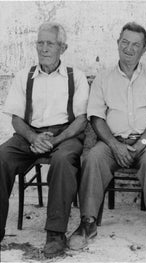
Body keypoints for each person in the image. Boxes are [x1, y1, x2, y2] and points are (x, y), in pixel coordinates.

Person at [68, 22, 146, 253]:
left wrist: (140, 144)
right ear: (117, 43)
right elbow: (96, 117)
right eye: (125, 42)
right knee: (93, 158)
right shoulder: (103, 78)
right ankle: (87, 222)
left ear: (144, 50)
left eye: (136, 45)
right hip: (111, 141)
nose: (129, 48)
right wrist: (115, 145)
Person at [0, 22, 89, 258]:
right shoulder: (24, 76)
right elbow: (16, 119)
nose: (44, 48)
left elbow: (81, 120)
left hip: (65, 133)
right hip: (30, 133)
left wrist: (56, 139)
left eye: (50, 43)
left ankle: (55, 234)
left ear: (63, 47)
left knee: (62, 160)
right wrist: (32, 137)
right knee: (1, 157)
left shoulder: (75, 77)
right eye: (40, 42)